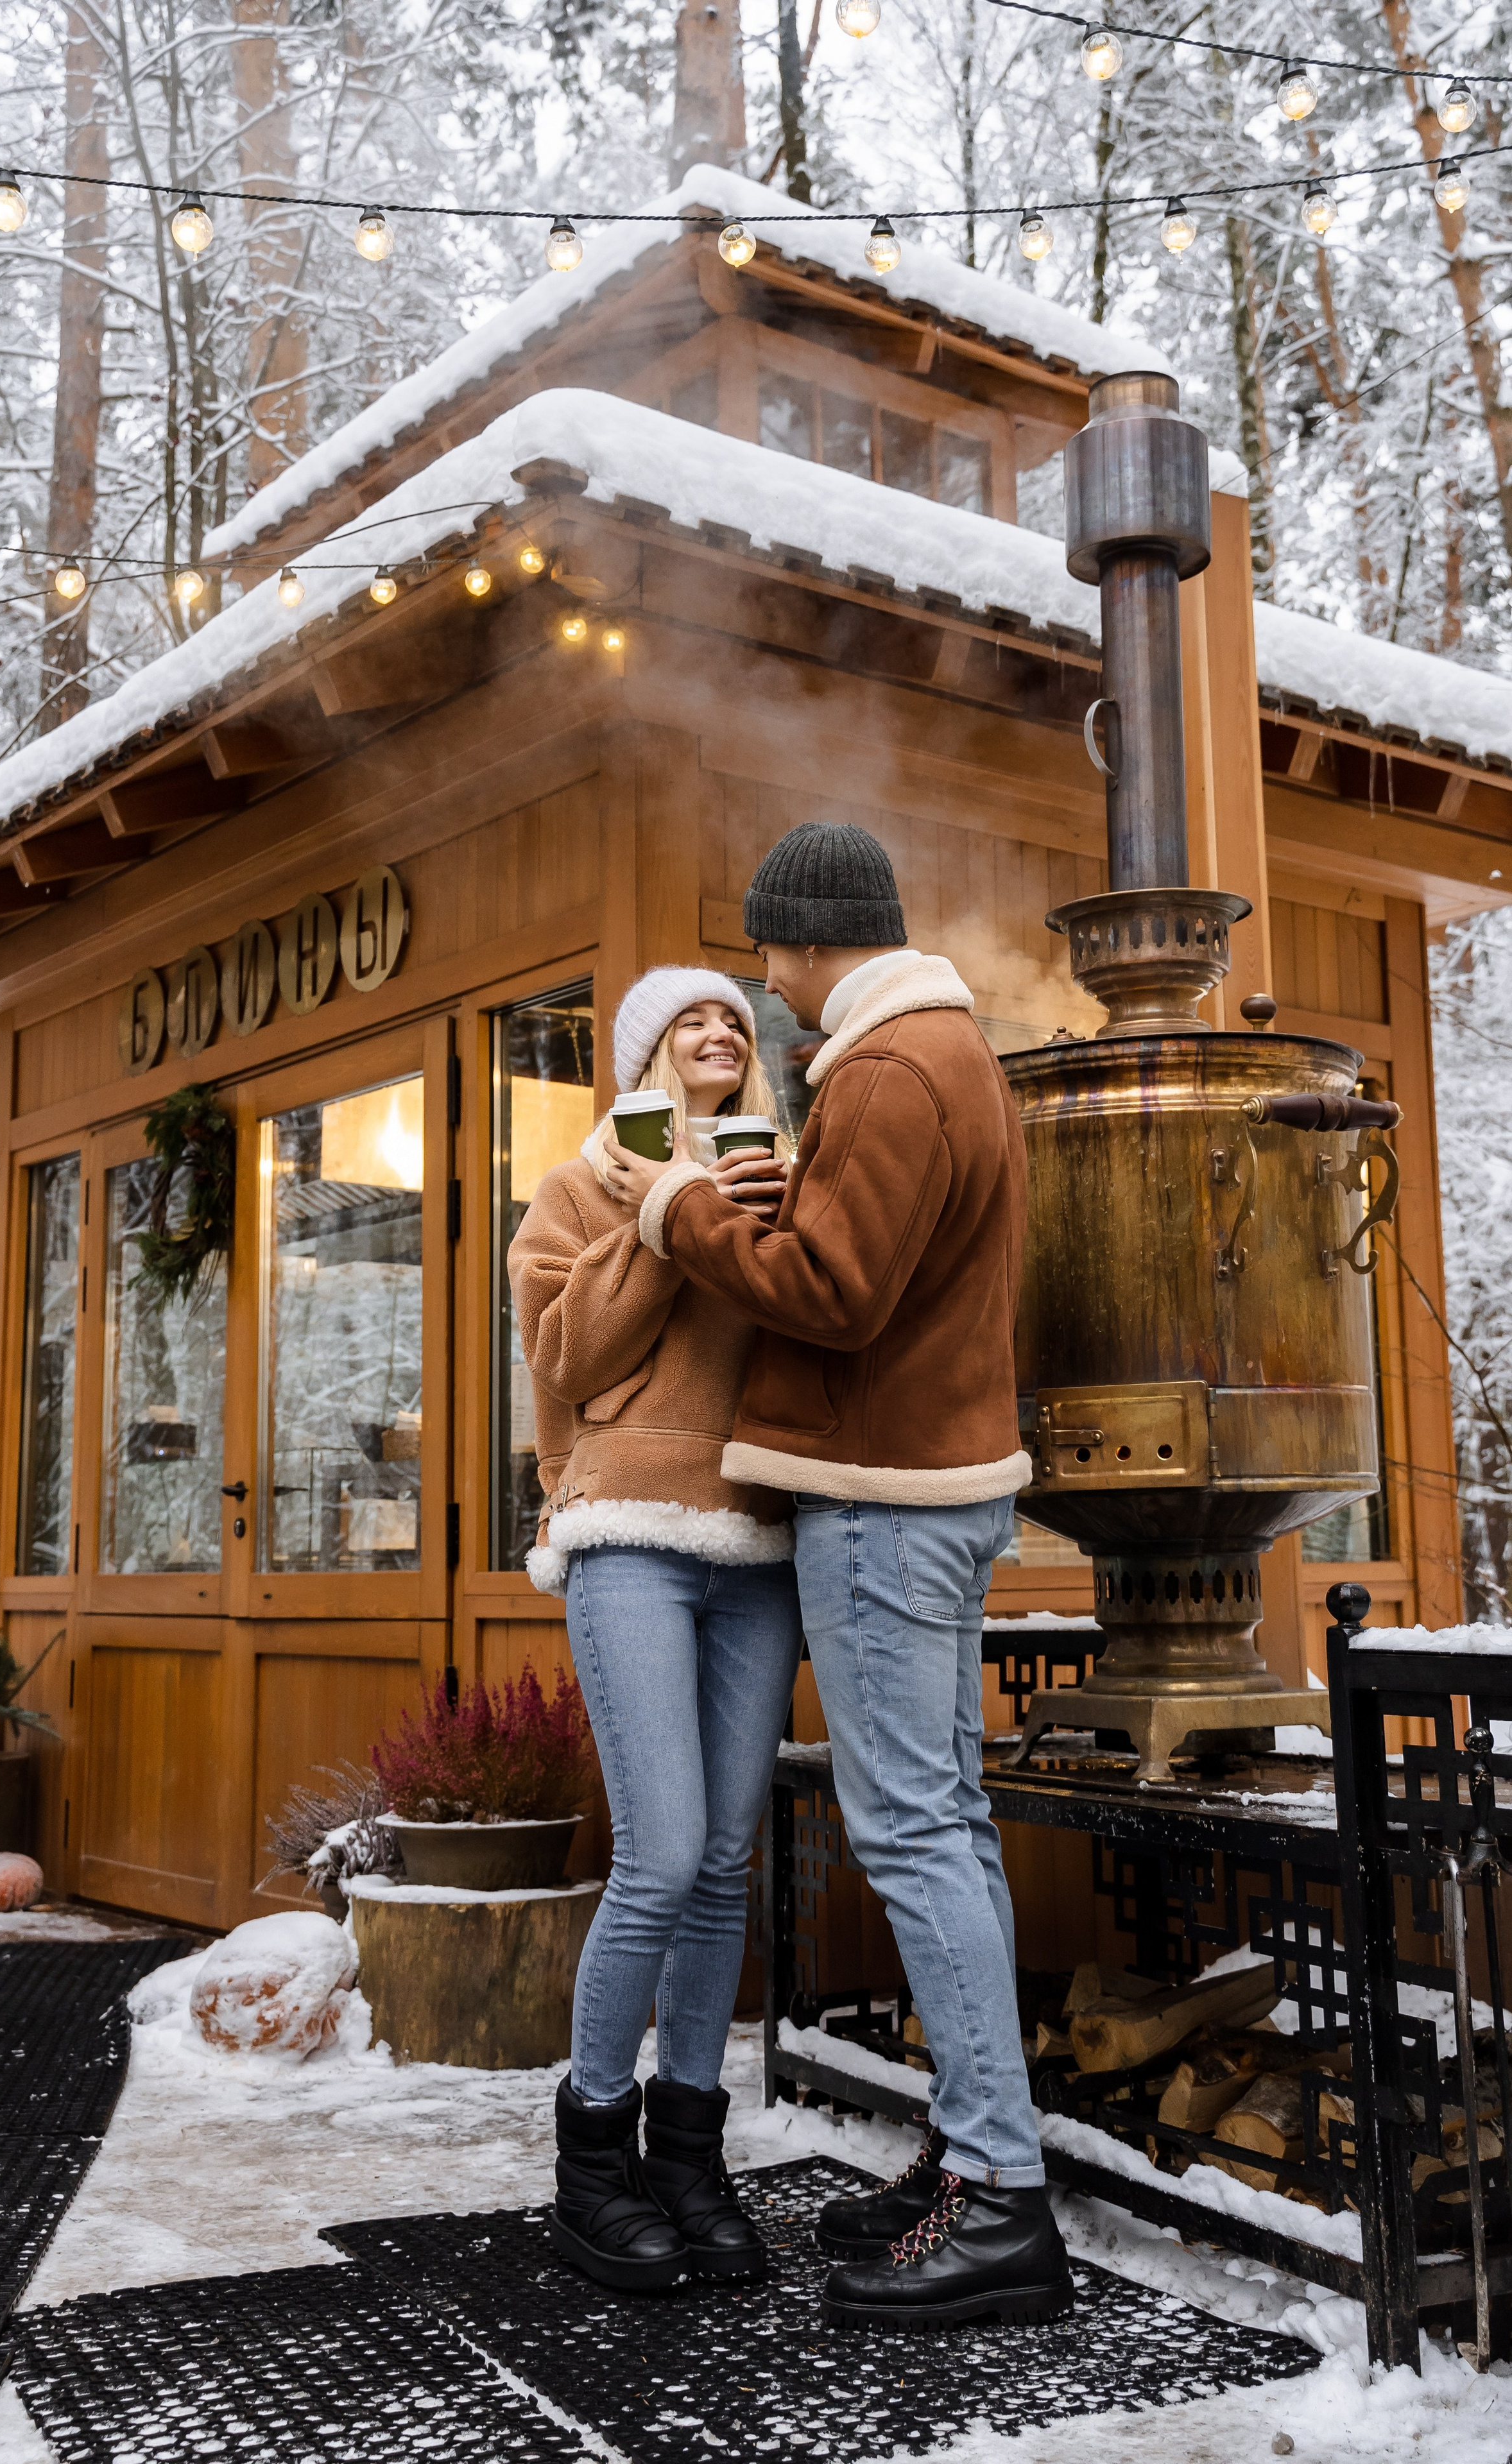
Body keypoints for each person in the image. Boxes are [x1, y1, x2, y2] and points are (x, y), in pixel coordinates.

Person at [602, 823, 1074, 2332]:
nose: (762, 984)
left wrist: (680, 1215)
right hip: (940, 1489)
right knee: (948, 1822)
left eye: (767, 954)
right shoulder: (954, 1055)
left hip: (879, 1501)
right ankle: (972, 2153)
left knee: (913, 1832)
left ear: (809, 943)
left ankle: (997, 2200)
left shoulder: (878, 1067)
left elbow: (835, 1293)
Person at [508, 966, 801, 2295]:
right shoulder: (579, 1187)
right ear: (639, 1059)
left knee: (724, 1862)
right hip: (625, 1522)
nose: (715, 1031)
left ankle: (689, 2154)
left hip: (759, 1541)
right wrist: (664, 1213)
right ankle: (591, 2162)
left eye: (734, 1021)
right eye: (688, 1020)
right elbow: (568, 1362)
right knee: (662, 1852)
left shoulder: (784, 1179)